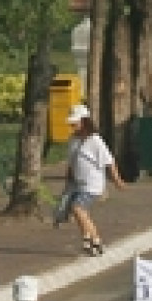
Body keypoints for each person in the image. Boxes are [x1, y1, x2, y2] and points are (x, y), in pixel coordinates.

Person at [56, 107, 125, 256]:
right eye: (72, 124)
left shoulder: (95, 141)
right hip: (77, 182)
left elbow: (109, 161)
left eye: (76, 123)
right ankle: (95, 240)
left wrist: (117, 180)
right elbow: (72, 161)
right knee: (81, 213)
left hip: (92, 184)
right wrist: (68, 177)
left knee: (77, 209)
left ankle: (89, 238)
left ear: (84, 122)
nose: (73, 126)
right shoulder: (73, 140)